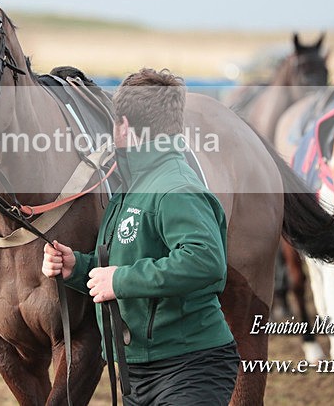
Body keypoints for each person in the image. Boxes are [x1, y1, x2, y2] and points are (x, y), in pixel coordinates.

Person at [42, 68, 238, 405]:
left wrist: (120, 280)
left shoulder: (176, 187)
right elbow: (126, 261)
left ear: (124, 127)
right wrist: (77, 268)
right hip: (140, 371)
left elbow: (205, 260)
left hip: (189, 368)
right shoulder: (134, 186)